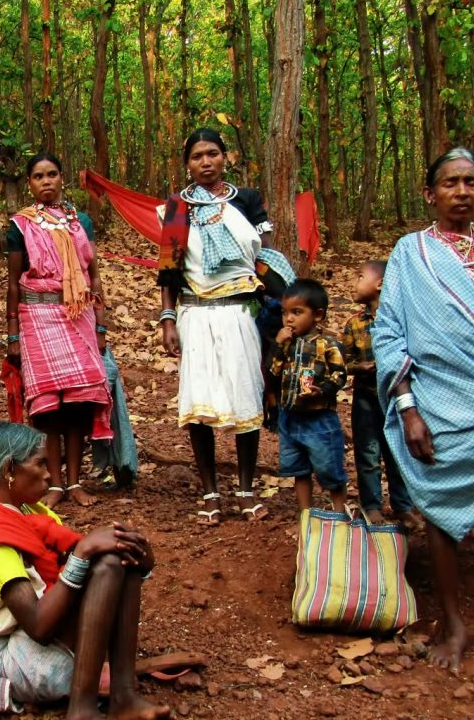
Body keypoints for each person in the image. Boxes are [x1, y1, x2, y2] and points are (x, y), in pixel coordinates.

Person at [0, 421, 169, 720]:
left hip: (37, 649)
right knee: (103, 564)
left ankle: (123, 697)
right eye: (41, 464)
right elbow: (37, 623)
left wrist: (139, 561)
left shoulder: (26, 511)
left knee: (114, 559)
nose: (51, 475)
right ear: (9, 470)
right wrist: (82, 554)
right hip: (15, 662)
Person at [373, 147, 474, 673]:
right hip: (439, 402)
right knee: (440, 511)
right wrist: (407, 408)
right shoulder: (410, 253)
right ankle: (452, 623)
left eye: (471, 182)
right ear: (430, 193)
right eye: (450, 183)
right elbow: (389, 331)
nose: (461, 191)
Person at [158, 128, 292, 525]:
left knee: (244, 395)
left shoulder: (247, 200)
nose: (205, 162)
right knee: (199, 403)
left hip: (241, 311)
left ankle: (247, 490)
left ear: (225, 158)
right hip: (196, 311)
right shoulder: (177, 207)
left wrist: (283, 309)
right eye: (197, 156)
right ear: (187, 163)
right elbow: (169, 269)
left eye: (212, 154)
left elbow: (265, 257)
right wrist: (167, 318)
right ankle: (210, 491)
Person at [7, 153, 112, 508]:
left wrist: (100, 324)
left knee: (79, 405)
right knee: (49, 408)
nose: (46, 181)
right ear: (30, 183)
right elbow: (12, 283)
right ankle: (53, 485)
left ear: (62, 178)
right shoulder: (20, 225)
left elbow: (93, 273)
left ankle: (75, 482)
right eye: (38, 176)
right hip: (37, 317)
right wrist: (12, 335)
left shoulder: (80, 220)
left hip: (77, 315)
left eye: (52, 174)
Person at [341, 260, 413, 526]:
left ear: (380, 284)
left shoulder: (400, 320)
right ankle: (372, 505)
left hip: (395, 398)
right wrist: (359, 367)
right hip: (365, 397)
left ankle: (403, 507)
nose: (354, 282)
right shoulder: (354, 325)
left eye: (360, 277)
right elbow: (343, 363)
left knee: (397, 452)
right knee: (368, 454)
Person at [269, 279, 347, 512]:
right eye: (285, 313)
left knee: (329, 469)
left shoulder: (327, 345)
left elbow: (339, 375)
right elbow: (274, 371)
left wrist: (321, 390)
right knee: (298, 469)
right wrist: (278, 345)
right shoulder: (287, 344)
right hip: (290, 418)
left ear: (318, 315)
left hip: (319, 419)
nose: (289, 319)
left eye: (297, 312)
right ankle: (306, 517)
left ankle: (339, 515)